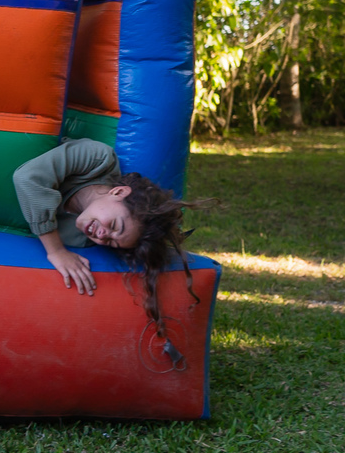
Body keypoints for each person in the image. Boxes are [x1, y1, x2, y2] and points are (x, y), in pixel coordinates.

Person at [12, 137, 211, 338]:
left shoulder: (79, 239)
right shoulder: (98, 159)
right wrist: (56, 251)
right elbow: (27, 178)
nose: (101, 236)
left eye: (111, 242)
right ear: (119, 192)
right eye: (115, 225)